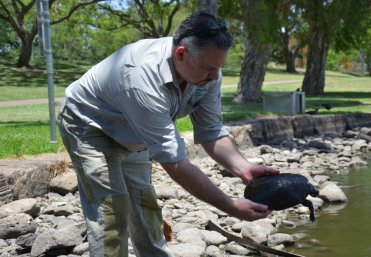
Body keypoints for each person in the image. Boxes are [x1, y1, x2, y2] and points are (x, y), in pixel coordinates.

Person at [58, 11, 278, 257]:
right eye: (210, 68)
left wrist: (242, 167)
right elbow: (174, 164)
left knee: (145, 206)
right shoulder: (140, 76)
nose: (215, 76)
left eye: (219, 68)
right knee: (112, 211)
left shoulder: (207, 73)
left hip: (135, 132)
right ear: (181, 54)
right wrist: (231, 206)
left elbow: (211, 131)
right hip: (91, 125)